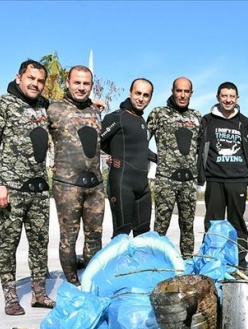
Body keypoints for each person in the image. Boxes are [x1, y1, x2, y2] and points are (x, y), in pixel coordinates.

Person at [0, 60, 55, 315]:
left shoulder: (44, 106)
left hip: (40, 188)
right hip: (11, 188)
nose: (35, 84)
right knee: (7, 244)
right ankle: (10, 296)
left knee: (40, 243)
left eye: (40, 80)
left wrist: (92, 105)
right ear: (19, 77)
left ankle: (39, 293)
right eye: (31, 78)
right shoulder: (5, 104)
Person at [48, 65, 104, 286]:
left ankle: (90, 282)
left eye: (86, 83)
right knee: (69, 237)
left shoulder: (96, 110)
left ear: (91, 85)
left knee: (94, 235)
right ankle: (72, 283)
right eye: (77, 82)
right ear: (68, 83)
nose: (81, 87)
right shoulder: (53, 109)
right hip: (67, 186)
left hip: (96, 186)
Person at [198, 82, 248, 268]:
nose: (228, 99)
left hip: (238, 181)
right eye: (224, 96)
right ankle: (211, 262)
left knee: (237, 224)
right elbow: (199, 148)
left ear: (237, 98)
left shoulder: (246, 124)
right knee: (213, 225)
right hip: (214, 179)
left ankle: (239, 262)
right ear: (217, 97)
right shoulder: (207, 121)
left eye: (232, 96)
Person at [147, 77, 202, 259]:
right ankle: (157, 262)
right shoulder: (159, 113)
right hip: (165, 180)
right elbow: (141, 142)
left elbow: (203, 147)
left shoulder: (196, 116)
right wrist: (158, 159)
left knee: (188, 226)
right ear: (172, 91)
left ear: (191, 93)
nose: (182, 95)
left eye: (186, 91)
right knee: (160, 226)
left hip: (189, 180)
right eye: (179, 90)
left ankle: (187, 261)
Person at [101, 78, 156, 237]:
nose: (141, 98)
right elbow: (97, 141)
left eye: (146, 95)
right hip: (122, 184)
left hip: (143, 186)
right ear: (130, 93)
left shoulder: (141, 120)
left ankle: (141, 263)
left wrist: (162, 159)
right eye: (137, 93)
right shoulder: (117, 117)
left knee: (143, 235)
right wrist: (113, 153)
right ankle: (118, 262)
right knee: (121, 235)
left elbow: (142, 150)